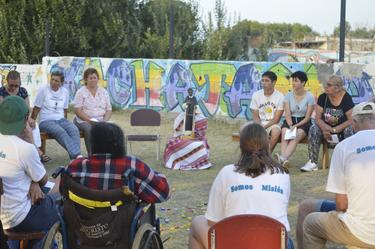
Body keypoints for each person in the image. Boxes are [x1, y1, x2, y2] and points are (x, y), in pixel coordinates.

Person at [189, 122, 293, 249]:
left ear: (241, 146)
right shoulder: (282, 174)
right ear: (268, 145)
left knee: (197, 222)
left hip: (234, 243)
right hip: (274, 243)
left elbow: (212, 221)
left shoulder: (226, 172)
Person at [299, 102, 375, 249]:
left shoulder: (344, 147)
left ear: (353, 123)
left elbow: (341, 205)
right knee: (307, 206)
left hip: (361, 230)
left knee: (310, 223)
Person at [0, 96, 59, 248]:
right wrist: (31, 141)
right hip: (20, 218)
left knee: (40, 197)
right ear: (26, 118)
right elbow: (44, 180)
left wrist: (34, 182)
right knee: (63, 196)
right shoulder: (25, 149)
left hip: (3, 217)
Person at [66, 122, 170, 203]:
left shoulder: (75, 165)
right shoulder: (130, 164)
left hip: (81, 221)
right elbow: (163, 193)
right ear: (119, 143)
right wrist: (159, 176)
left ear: (92, 143)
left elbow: (63, 193)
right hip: (122, 222)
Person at [301, 75, 354, 172]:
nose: (326, 87)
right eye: (326, 84)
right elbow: (317, 118)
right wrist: (325, 128)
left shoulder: (346, 98)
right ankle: (312, 162)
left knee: (349, 129)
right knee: (313, 128)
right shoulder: (323, 97)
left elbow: (351, 120)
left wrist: (336, 129)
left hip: (341, 129)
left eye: (329, 85)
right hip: (325, 129)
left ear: (337, 88)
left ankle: (348, 162)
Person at [30, 70, 81, 160]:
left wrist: (66, 123)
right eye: (52, 79)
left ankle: (75, 159)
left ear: (61, 83)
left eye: (56, 80)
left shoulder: (65, 92)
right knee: (60, 131)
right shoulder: (43, 90)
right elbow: (36, 108)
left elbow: (65, 110)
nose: (53, 82)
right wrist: (32, 121)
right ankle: (77, 156)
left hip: (61, 120)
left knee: (74, 129)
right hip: (46, 121)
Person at [0, 70, 50, 162]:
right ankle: (37, 152)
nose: (14, 88)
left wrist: (29, 118)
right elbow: (3, 111)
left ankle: (32, 153)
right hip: (6, 120)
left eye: (16, 85)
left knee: (30, 125)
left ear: (19, 83)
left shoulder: (23, 91)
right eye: (11, 85)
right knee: (26, 129)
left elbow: (26, 109)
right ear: (7, 81)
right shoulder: (1, 91)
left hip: (19, 118)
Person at [276, 71, 314, 167]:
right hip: (290, 121)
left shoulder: (310, 96)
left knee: (296, 135)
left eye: (296, 81)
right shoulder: (288, 95)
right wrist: (290, 125)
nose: (293, 83)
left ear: (303, 83)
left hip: (303, 122)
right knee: (284, 132)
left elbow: (307, 117)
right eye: (293, 80)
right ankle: (284, 160)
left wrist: (295, 126)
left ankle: (282, 158)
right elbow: (287, 114)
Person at [73, 68, 112, 155]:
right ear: (86, 80)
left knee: (111, 129)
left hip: (100, 120)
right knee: (90, 129)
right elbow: (77, 111)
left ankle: (106, 154)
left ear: (98, 79)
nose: (93, 80)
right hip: (83, 120)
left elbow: (109, 109)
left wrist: (104, 121)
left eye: (95, 77)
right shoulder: (81, 92)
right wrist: (89, 120)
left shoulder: (104, 92)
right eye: (90, 78)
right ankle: (92, 155)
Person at [250, 71, 284, 152]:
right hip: (259, 123)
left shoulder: (280, 97)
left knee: (275, 132)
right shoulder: (256, 95)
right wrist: (260, 127)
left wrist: (264, 127)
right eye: (263, 80)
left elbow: (276, 119)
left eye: (267, 80)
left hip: (273, 124)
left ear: (274, 82)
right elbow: (255, 116)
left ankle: (266, 156)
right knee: (243, 130)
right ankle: (251, 156)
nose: (264, 83)